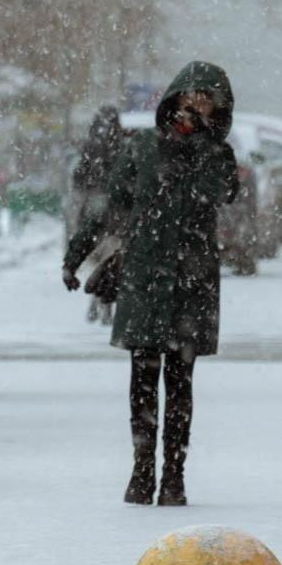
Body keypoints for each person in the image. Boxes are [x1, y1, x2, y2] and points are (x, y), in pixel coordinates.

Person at [64, 62, 238, 507]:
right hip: (145, 277)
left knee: (181, 382)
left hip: (193, 281)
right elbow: (109, 208)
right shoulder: (142, 148)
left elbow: (216, 194)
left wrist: (200, 142)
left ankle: (174, 476)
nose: (197, 104)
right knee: (142, 381)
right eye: (191, 95)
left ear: (218, 107)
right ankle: (141, 472)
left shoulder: (218, 154)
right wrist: (76, 254)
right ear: (176, 97)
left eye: (208, 98)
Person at [68, 106, 125, 324]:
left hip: (93, 214)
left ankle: (97, 303)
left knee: (100, 261)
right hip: (113, 216)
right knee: (108, 260)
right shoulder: (119, 147)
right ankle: (102, 304)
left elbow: (78, 180)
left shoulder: (90, 148)